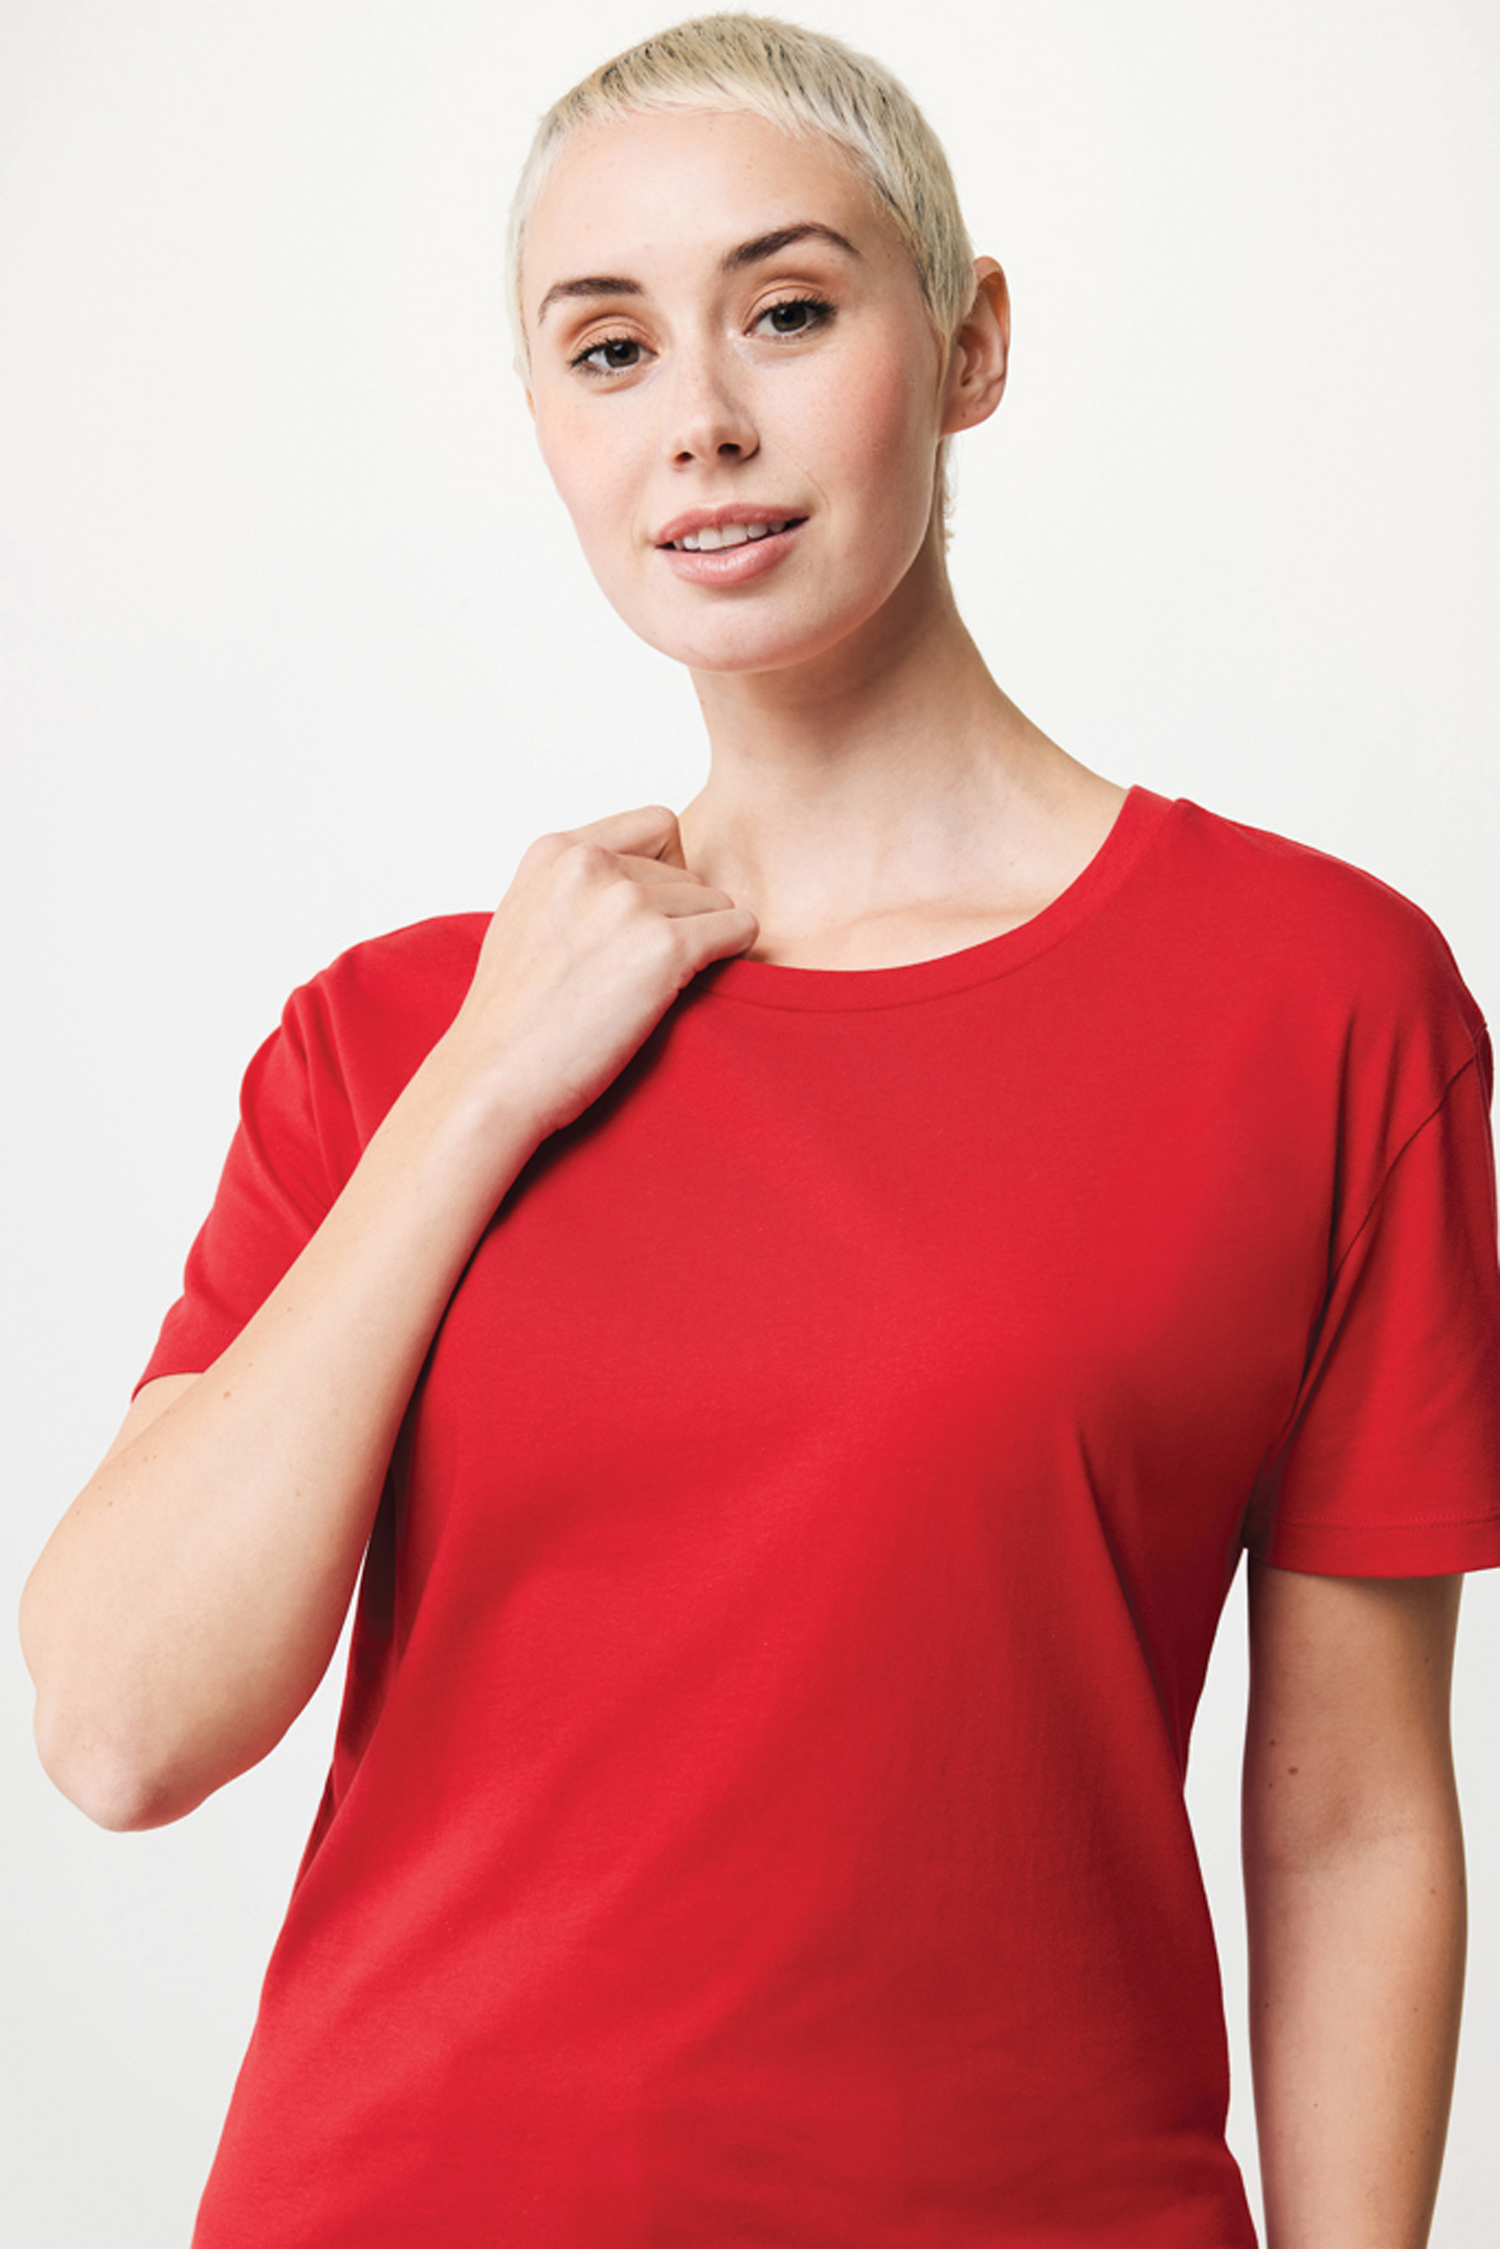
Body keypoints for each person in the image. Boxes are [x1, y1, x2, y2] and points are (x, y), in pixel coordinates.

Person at [18, 13, 1500, 2246]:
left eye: (788, 312)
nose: (700, 417)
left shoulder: (1316, 1002)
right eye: (608, 351)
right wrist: (487, 1087)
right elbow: (123, 1725)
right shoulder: (398, 1038)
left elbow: (1355, 1815)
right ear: (548, 425)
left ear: (969, 340)